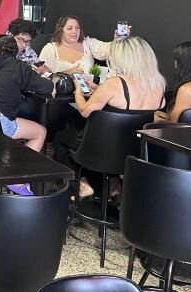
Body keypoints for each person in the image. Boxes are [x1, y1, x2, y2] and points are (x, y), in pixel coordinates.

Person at [58, 36, 166, 198]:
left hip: (101, 148)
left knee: (61, 138)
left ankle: (83, 185)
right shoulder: (159, 84)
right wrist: (100, 90)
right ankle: (114, 186)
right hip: (135, 149)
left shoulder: (115, 83)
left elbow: (85, 111)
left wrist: (78, 92)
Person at [0, 35, 54, 196]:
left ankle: (5, 171)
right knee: (40, 132)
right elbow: (46, 87)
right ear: (14, 51)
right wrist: (46, 74)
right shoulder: (17, 67)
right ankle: (17, 179)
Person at [39, 15, 111, 75]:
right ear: (60, 31)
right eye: (69, 28)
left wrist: (118, 41)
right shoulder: (49, 49)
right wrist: (67, 73)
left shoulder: (88, 43)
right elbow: (41, 74)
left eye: (77, 28)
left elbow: (109, 49)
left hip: (88, 91)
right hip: (58, 91)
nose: (74, 31)